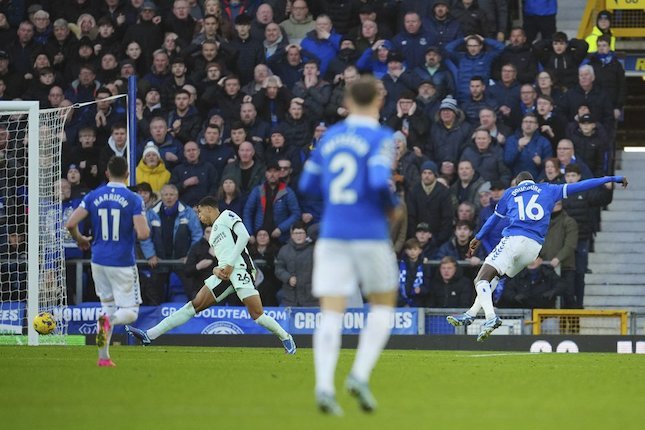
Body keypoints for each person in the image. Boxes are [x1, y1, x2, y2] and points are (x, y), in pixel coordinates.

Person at [299, 76, 400, 415]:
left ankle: (324, 385)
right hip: (369, 232)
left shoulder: (329, 138)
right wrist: (391, 203)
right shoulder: (382, 137)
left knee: (331, 311)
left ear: (347, 100)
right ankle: (359, 374)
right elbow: (376, 180)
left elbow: (307, 183)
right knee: (384, 305)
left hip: (332, 233)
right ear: (378, 100)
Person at [446, 170, 627, 341]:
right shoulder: (549, 189)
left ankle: (491, 317)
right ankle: (470, 314)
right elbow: (582, 185)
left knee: (480, 279)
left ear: (518, 183)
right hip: (533, 248)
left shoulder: (511, 192)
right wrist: (611, 179)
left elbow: (494, 218)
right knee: (494, 278)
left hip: (514, 239)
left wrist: (478, 237)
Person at [126, 196, 296, 353]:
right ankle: (149, 335)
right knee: (194, 305)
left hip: (240, 270)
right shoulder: (213, 233)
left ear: (208, 208)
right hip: (224, 274)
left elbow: (244, 236)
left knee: (257, 315)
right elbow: (222, 257)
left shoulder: (227, 216)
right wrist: (217, 269)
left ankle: (286, 337)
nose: (199, 216)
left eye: (199, 212)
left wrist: (229, 265)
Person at [65, 156, 150, 367]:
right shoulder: (133, 199)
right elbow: (142, 233)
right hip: (121, 261)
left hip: (98, 259)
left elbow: (70, 223)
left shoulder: (94, 195)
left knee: (108, 307)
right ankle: (108, 322)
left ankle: (103, 358)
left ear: (106, 173)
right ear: (128, 174)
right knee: (130, 313)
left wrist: (81, 239)